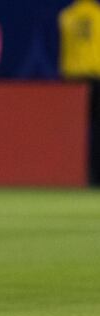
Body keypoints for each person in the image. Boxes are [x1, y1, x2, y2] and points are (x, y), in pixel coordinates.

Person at [59, 0, 100, 185]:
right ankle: (95, 176)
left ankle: (71, 176)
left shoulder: (66, 15)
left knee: (73, 132)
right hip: (96, 76)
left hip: (73, 79)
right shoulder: (97, 13)